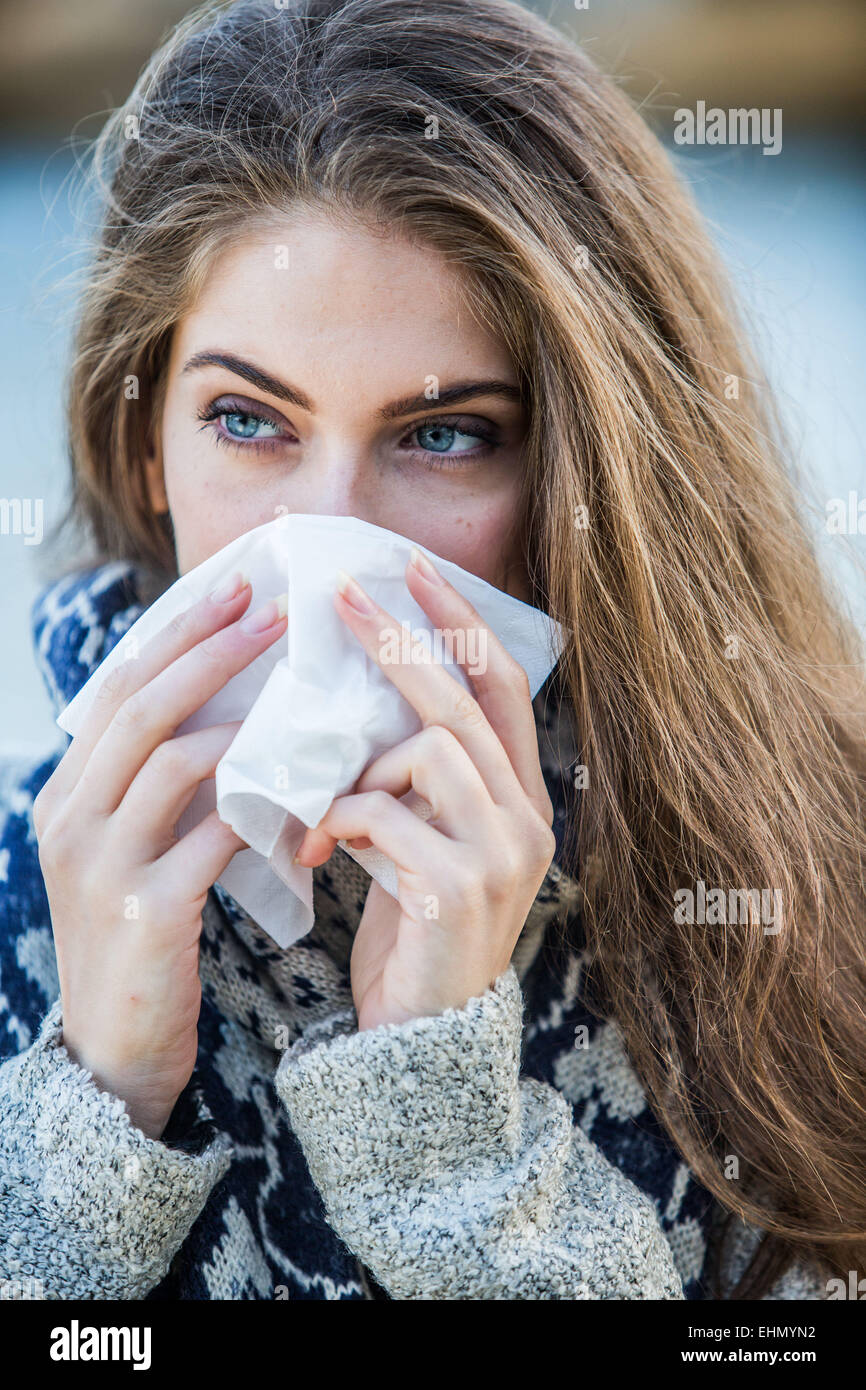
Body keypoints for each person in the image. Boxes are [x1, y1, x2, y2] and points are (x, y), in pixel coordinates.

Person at [1, 0, 863, 1301]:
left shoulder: (800, 896)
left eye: (443, 433)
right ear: (142, 448)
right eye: (247, 418)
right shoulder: (20, 884)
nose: (331, 537)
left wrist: (450, 1166)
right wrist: (95, 1108)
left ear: (583, 469)